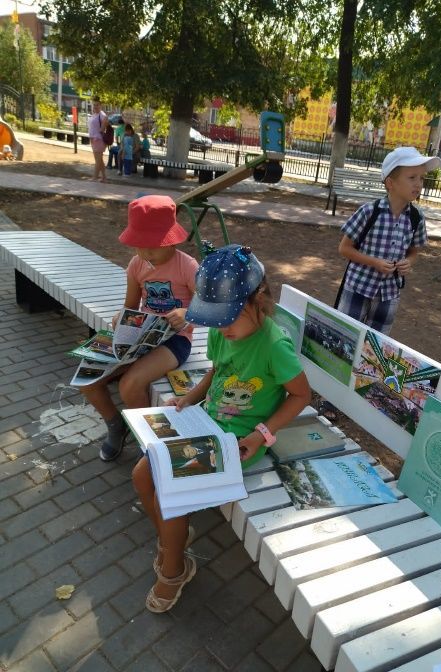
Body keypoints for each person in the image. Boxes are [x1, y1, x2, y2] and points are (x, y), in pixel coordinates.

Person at [132, 243, 311, 613]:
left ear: (259, 301)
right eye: (214, 318)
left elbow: (300, 396)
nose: (220, 327)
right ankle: (174, 541)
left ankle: (174, 569)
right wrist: (191, 397)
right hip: (204, 421)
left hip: (238, 441)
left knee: (170, 494)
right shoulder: (220, 330)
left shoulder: (274, 345)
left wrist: (261, 434)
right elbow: (217, 370)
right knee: (141, 474)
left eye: (228, 317)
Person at [79, 195, 199, 461]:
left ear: (172, 239)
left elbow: (207, 306)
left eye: (152, 247)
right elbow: (130, 306)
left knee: (130, 385)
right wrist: (120, 316)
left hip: (175, 340)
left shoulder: (187, 266)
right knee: (87, 377)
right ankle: (116, 425)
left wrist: (187, 312)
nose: (145, 254)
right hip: (138, 335)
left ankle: (152, 444)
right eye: (138, 246)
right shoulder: (136, 265)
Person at [336, 146, 441, 335]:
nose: (418, 184)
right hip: (358, 288)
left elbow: (414, 251)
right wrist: (374, 262)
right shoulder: (369, 212)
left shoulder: (417, 217)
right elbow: (344, 248)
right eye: (412, 178)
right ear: (390, 183)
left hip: (389, 293)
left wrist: (408, 262)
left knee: (376, 345)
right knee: (345, 336)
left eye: (421, 178)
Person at [87, 97, 108, 182]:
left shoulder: (102, 115)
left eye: (97, 105)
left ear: (100, 106)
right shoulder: (94, 115)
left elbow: (103, 127)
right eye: (94, 105)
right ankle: (104, 178)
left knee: (98, 160)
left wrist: (101, 129)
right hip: (93, 140)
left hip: (99, 140)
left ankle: (95, 177)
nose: (95, 106)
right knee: (99, 160)